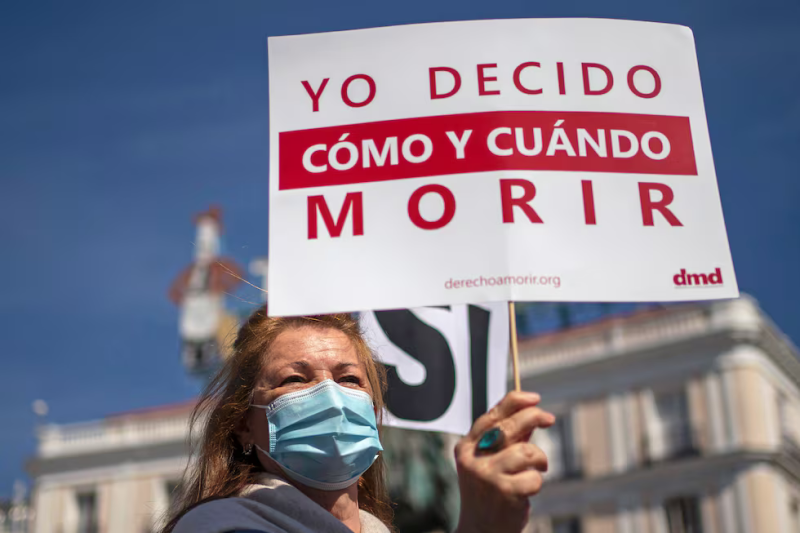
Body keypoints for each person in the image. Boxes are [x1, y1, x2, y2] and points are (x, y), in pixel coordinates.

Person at [162, 309, 554, 533]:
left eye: (349, 379)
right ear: (243, 423)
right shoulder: (219, 526)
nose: (331, 396)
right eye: (295, 379)